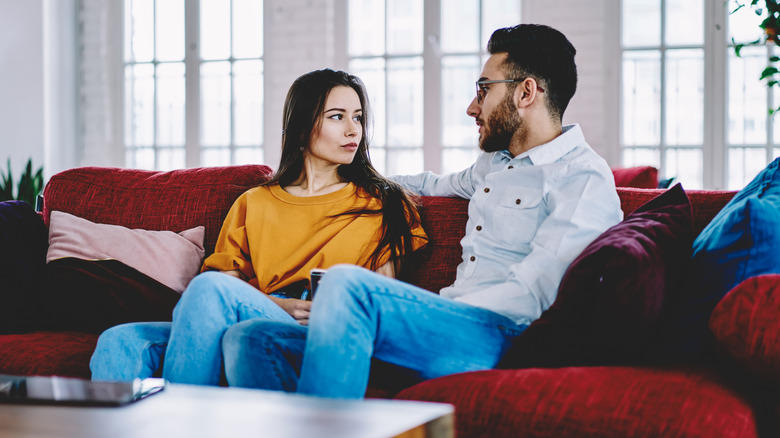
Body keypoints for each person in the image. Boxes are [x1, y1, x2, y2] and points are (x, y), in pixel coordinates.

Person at [220, 23, 624, 398]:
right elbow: (429, 184)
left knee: (346, 285)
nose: (472, 106)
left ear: (526, 92)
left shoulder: (582, 179)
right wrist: (349, 184)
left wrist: (438, 310)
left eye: (483, 89)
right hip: (447, 326)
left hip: (504, 335)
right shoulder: (496, 165)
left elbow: (535, 294)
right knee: (252, 338)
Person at [89, 69, 428, 385]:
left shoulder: (383, 203)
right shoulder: (255, 202)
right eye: (337, 117)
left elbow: (381, 300)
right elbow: (227, 286)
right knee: (118, 341)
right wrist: (278, 305)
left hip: (320, 326)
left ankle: (183, 422)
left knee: (212, 292)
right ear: (301, 127)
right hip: (257, 308)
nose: (353, 130)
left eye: (358, 118)